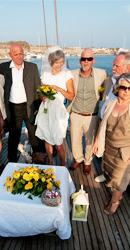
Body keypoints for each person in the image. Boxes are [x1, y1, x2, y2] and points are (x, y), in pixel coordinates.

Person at [0, 43, 43, 163]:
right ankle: (12, 161)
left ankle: (39, 159)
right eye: (15, 54)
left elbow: (38, 88)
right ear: (10, 55)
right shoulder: (2, 68)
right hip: (13, 108)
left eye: (21, 54)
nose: (19, 57)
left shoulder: (32, 67)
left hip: (29, 106)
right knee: (13, 136)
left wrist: (37, 106)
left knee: (34, 135)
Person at [93, 73, 130, 215]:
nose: (126, 91)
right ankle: (115, 196)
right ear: (117, 88)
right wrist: (97, 141)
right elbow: (102, 124)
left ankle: (115, 202)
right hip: (109, 148)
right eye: (123, 87)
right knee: (110, 175)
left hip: (125, 152)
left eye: (129, 88)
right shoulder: (111, 103)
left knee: (120, 180)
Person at [68, 48, 107, 175]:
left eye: (89, 59)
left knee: (90, 141)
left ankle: (88, 162)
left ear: (93, 61)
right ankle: (78, 159)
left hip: (92, 115)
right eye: (84, 59)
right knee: (75, 139)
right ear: (80, 60)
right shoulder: (72, 74)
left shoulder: (102, 74)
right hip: (76, 114)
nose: (86, 61)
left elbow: (107, 91)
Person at [34, 47, 75, 166]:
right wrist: (43, 97)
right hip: (46, 108)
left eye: (62, 62)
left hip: (58, 110)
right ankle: (51, 161)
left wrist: (60, 89)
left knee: (58, 142)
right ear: (51, 62)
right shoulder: (45, 74)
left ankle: (62, 164)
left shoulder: (67, 74)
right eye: (57, 62)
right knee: (47, 139)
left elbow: (71, 96)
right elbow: (41, 92)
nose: (60, 65)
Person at [96, 52, 130, 182]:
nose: (113, 68)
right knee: (106, 155)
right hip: (106, 123)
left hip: (122, 131)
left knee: (120, 160)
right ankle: (106, 174)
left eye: (117, 66)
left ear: (128, 68)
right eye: (113, 65)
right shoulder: (110, 79)